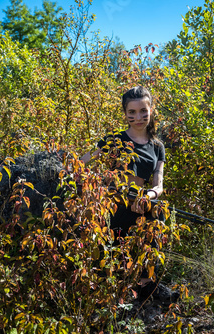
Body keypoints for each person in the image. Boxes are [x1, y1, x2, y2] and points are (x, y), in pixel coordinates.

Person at [81, 86, 179, 303]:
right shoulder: (114, 139)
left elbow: (159, 185)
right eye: (132, 112)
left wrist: (148, 197)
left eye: (143, 111)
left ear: (151, 109)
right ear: (125, 113)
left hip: (139, 202)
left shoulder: (157, 146)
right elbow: (83, 162)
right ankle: (109, 288)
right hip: (114, 204)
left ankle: (146, 285)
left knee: (158, 215)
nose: (138, 117)